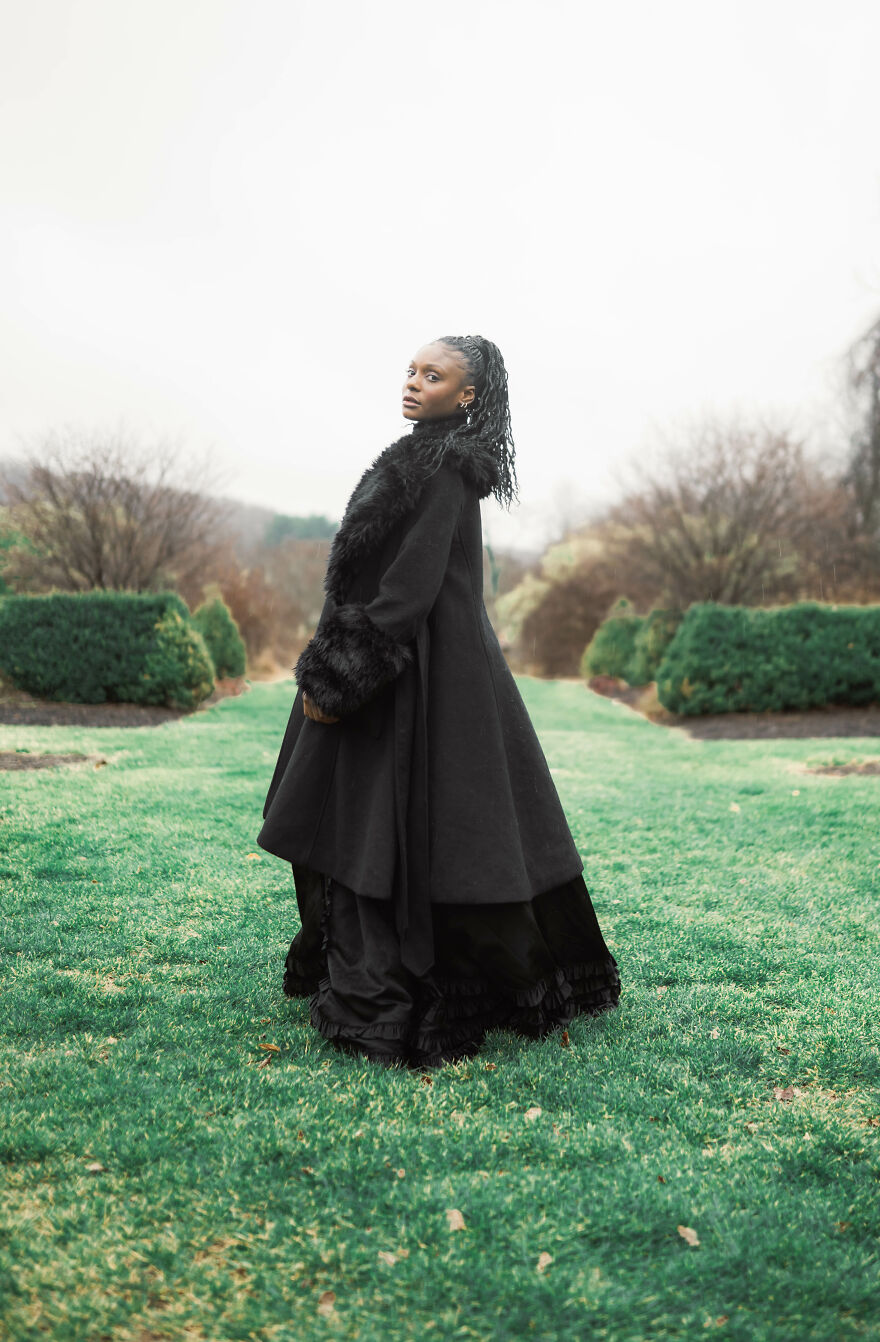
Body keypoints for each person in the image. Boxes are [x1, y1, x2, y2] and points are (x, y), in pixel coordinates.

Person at [256, 334, 621, 1069]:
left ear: (468, 396)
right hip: (404, 660)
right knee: (375, 822)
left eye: (435, 375)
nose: (414, 382)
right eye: (412, 370)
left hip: (416, 670)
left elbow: (410, 590)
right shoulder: (422, 457)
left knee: (407, 827)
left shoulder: (447, 467)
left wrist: (342, 676)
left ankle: (408, 985)